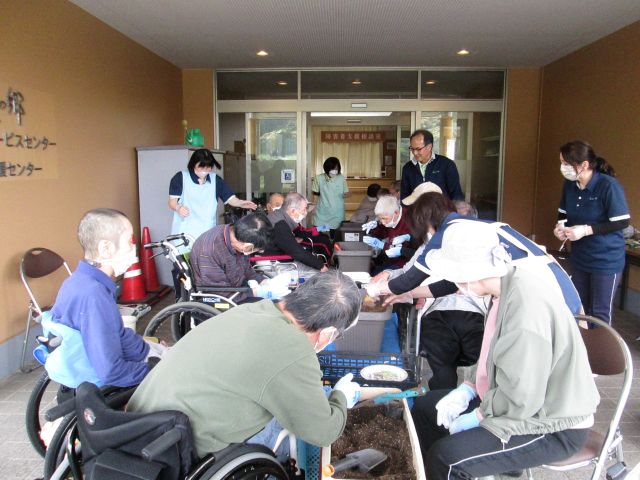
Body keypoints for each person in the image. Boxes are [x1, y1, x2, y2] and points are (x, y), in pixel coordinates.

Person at [410, 221, 599, 479]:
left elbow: (521, 398)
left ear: (473, 270)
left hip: (550, 422)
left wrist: (478, 416)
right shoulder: (505, 285)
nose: (454, 283)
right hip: (513, 399)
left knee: (446, 458)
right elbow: (491, 354)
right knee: (425, 409)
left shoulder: (525, 314)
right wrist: (468, 387)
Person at [127, 271, 362, 459]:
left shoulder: (255, 308)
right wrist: (340, 396)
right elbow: (323, 433)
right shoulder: (294, 351)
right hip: (175, 449)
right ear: (327, 334)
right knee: (286, 434)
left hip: (136, 425)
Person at [368, 192, 583, 317]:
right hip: (561, 294)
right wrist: (409, 294)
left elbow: (411, 278)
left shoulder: (448, 234)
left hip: (540, 302)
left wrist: (373, 290)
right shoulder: (473, 227)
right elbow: (452, 284)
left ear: (427, 221)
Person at [374, 189, 484, 390]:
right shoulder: (467, 238)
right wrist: (393, 278)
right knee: (470, 373)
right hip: (461, 311)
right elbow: (447, 284)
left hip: (457, 312)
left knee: (457, 370)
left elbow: (412, 278)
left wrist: (380, 289)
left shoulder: (446, 238)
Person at [47, 209, 159, 389]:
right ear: (105, 248)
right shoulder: (94, 295)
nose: (133, 248)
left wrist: (146, 348)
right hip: (102, 382)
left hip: (111, 356)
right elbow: (111, 371)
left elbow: (115, 334)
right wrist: (156, 370)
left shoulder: (77, 281)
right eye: (129, 241)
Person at [554, 140, 630, 325]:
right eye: (561, 162)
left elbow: (622, 221)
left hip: (605, 260)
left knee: (599, 313)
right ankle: (583, 343)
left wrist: (586, 230)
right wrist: (560, 227)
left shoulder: (608, 186)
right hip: (580, 257)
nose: (563, 167)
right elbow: (563, 213)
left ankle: (601, 344)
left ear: (584, 165)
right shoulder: (570, 184)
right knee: (580, 306)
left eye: (566, 163)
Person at [189, 213, 287, 302]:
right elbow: (220, 293)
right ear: (247, 246)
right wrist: (256, 292)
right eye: (258, 249)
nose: (260, 252)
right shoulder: (210, 250)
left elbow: (246, 269)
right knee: (275, 305)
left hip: (239, 288)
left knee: (282, 299)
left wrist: (263, 281)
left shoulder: (237, 235)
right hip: (224, 298)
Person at [169, 149, 256, 244]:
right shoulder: (181, 178)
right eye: (202, 167)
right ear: (193, 164)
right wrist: (179, 208)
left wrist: (241, 203)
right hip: (185, 232)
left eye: (208, 167)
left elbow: (231, 199)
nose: (205, 170)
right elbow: (172, 202)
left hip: (207, 231)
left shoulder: (215, 180)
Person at [266, 193, 329, 272]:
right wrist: (320, 265)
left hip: (280, 256)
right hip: (273, 262)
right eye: (304, 210)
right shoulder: (279, 224)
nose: (305, 213)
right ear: (293, 211)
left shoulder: (279, 217)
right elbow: (296, 251)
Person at [401, 129, 464, 201]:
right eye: (412, 148)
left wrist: (455, 207)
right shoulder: (407, 168)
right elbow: (405, 196)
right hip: (417, 208)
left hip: (442, 207)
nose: (414, 153)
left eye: (418, 149)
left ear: (429, 147)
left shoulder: (446, 164)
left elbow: (456, 194)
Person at [362, 195, 414, 273]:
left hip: (406, 264)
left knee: (374, 276)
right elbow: (384, 233)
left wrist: (382, 245)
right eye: (380, 218)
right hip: (392, 260)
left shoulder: (409, 221)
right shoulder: (391, 217)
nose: (383, 222)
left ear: (396, 212)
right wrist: (373, 229)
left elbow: (399, 250)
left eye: (384, 218)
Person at [312, 157, 350, 237]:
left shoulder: (341, 178)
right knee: (318, 232)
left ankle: (333, 243)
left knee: (335, 233)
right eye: (333, 169)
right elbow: (316, 194)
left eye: (336, 169)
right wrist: (313, 207)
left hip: (337, 211)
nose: (335, 171)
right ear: (327, 168)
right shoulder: (319, 178)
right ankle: (320, 242)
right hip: (322, 211)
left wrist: (347, 194)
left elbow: (346, 192)